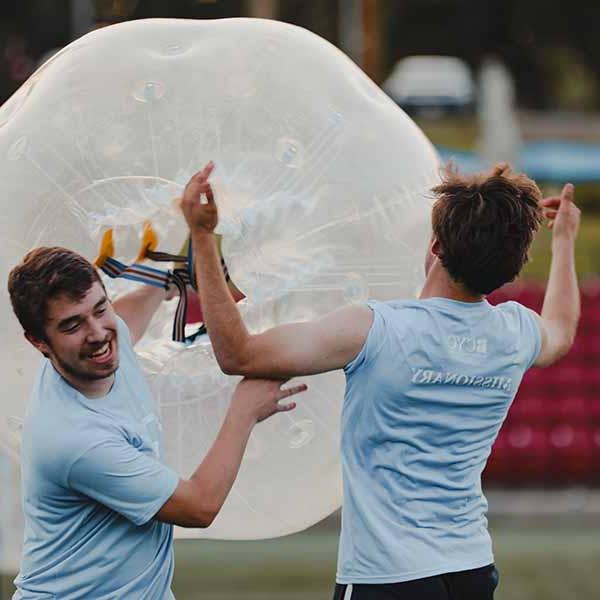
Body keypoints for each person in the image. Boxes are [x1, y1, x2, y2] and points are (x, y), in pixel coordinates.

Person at [180, 161, 580, 600]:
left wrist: (201, 238)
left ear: (436, 245)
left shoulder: (377, 329)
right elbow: (560, 330)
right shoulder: (515, 332)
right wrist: (563, 243)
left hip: (387, 578)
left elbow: (238, 354)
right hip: (472, 571)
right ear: (511, 267)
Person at [7, 247, 306, 599]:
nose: (99, 333)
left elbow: (124, 322)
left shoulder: (99, 345)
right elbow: (199, 506)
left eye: (100, 309)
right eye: (73, 325)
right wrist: (244, 411)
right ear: (38, 341)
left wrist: (166, 279)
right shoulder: (73, 438)